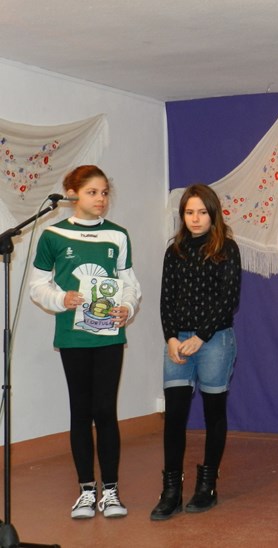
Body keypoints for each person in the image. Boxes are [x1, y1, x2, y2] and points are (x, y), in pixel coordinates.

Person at [29, 165, 142, 519]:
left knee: (105, 411)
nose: (101, 199)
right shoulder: (52, 235)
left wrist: (126, 307)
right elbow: (37, 286)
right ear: (72, 193)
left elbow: (129, 284)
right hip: (72, 336)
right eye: (93, 192)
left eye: (105, 192)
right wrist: (61, 299)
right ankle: (85, 491)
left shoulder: (118, 235)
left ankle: (111, 490)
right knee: (80, 411)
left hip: (109, 337)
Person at [150, 183, 241, 521]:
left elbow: (228, 299)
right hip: (178, 342)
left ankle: (207, 486)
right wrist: (172, 338)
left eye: (202, 212)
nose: (196, 218)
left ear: (213, 214)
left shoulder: (227, 249)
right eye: (189, 212)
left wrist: (201, 337)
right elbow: (166, 299)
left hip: (214, 341)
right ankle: (171, 490)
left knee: (214, 413)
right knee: (174, 415)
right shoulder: (174, 251)